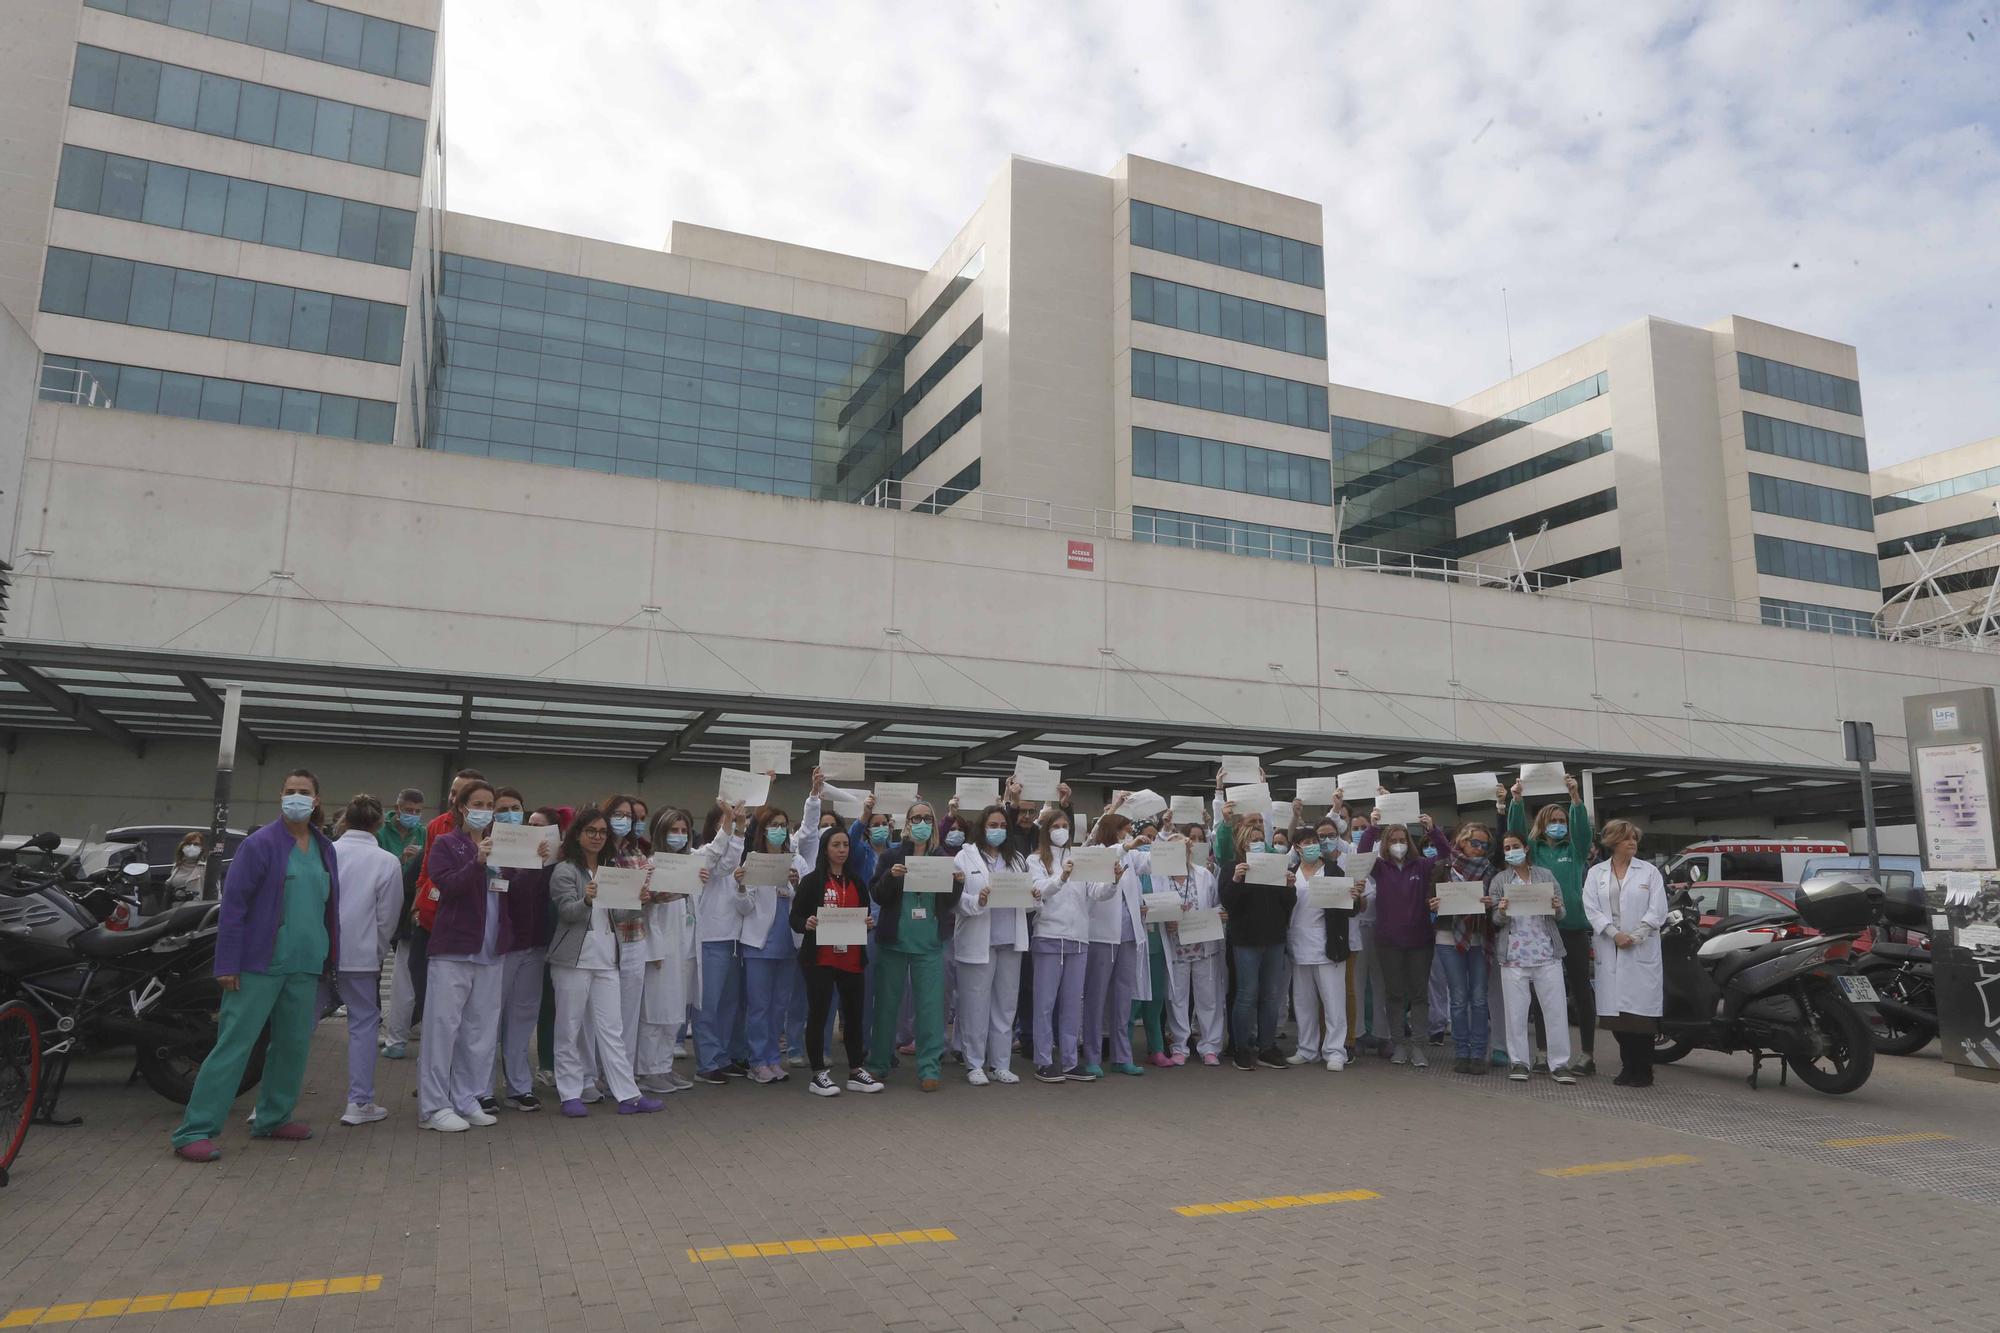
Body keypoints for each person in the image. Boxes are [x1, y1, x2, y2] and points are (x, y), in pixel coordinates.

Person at [171, 769, 341, 1163]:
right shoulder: (259, 844)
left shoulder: (324, 847)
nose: (297, 797)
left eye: (304, 792)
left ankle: (273, 1117)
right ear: (280, 797)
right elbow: (234, 908)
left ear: (316, 801)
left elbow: (329, 907)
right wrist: (226, 962)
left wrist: (331, 960)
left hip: (305, 964)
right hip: (257, 964)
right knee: (234, 1046)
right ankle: (194, 1130)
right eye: (290, 791)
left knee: (293, 1046)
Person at [547, 807, 663, 1116]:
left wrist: (638, 902)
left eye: (602, 832)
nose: (598, 837)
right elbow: (567, 913)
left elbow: (619, 914)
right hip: (572, 960)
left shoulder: (612, 868)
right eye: (591, 831)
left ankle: (628, 1095)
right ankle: (570, 1094)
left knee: (612, 1029)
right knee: (569, 1027)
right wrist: (586, 899)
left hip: (607, 959)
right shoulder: (565, 870)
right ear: (578, 834)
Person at [418, 780, 514, 1132]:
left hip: (491, 951)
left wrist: (535, 858)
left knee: (480, 1030)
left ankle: (467, 1097)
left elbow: (512, 889)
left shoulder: (501, 845)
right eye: (478, 803)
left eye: (490, 804)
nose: (485, 809)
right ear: (461, 807)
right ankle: (433, 1106)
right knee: (443, 1029)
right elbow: (449, 886)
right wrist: (478, 862)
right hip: (454, 950)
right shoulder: (447, 843)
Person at [733, 778, 822, 1084]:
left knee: (778, 1006)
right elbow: (744, 909)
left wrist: (797, 886)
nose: (780, 829)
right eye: (773, 824)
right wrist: (742, 886)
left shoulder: (796, 860)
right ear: (763, 830)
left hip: (789, 943)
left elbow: (808, 903)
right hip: (758, 944)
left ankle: (773, 1058)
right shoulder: (752, 860)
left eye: (783, 825)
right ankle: (757, 1060)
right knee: (758, 1006)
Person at [1507, 774, 1595, 1073]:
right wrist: (1516, 800)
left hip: (1574, 928)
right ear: (1543, 824)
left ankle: (1587, 1054)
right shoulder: (1534, 851)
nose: (1559, 824)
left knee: (1582, 990)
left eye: (1562, 820)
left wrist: (1575, 799)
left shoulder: (1575, 849)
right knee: (1542, 994)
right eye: (1553, 819)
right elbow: (1515, 832)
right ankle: (1543, 1053)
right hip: (1544, 931)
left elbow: (1583, 831)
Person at [1354, 804, 1453, 1068]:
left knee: (1419, 995)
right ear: (1386, 844)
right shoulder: (1380, 868)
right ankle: (1398, 1044)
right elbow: (1362, 853)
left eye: (1402, 840)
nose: (1398, 844)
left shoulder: (1421, 866)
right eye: (1393, 841)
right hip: (1388, 942)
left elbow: (1445, 855)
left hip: (1420, 941)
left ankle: (1419, 1046)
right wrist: (1373, 828)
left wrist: (1433, 830)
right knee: (1394, 994)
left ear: (1409, 842)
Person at [870, 800, 958, 1091]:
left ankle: (929, 1067)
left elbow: (949, 903)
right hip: (894, 943)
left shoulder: (942, 857)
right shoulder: (892, 856)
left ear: (933, 824)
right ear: (906, 823)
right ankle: (879, 1063)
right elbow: (878, 896)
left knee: (931, 1009)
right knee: (886, 1006)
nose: (921, 823)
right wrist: (891, 877)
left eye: (926, 819)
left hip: (929, 943)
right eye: (915, 818)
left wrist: (957, 883)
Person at [790, 826, 881, 1096]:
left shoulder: (857, 882)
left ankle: (856, 1070)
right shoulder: (812, 882)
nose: (842, 850)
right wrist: (805, 923)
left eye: (845, 845)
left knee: (854, 1016)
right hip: (820, 959)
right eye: (836, 845)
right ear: (825, 849)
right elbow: (794, 918)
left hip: (851, 958)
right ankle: (818, 1074)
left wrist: (867, 924)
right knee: (819, 1015)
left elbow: (864, 916)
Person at [329, 796, 402, 1126]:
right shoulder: (386, 861)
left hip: (319, 954)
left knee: (297, 1025)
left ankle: (270, 1102)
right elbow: (387, 917)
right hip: (360, 958)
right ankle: (359, 1102)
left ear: (345, 820)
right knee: (363, 1026)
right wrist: (375, 952)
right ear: (379, 823)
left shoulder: (325, 851)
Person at [1583, 819, 1669, 1088]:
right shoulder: (1596, 873)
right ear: (1612, 842)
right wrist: (1612, 933)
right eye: (1626, 838)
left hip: (1639, 947)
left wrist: (1636, 934)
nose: (1632, 842)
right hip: (1611, 948)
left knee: (1640, 1019)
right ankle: (1627, 1066)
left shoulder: (1649, 872)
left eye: (1635, 838)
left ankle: (1643, 1070)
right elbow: (1591, 908)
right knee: (1617, 1018)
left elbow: (1657, 909)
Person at [955, 803, 1032, 1087]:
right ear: (981, 827)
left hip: (1009, 941)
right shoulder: (964, 857)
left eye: (1002, 826)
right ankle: (974, 1063)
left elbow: (1029, 901)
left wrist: (1033, 895)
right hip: (978, 941)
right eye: (992, 825)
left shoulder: (1018, 859)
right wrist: (978, 901)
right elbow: (956, 901)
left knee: (1005, 1006)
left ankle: (1000, 1064)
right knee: (975, 1005)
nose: (997, 831)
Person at [1489, 833, 1576, 1084]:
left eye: (1515, 846)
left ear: (1525, 849)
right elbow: (1495, 920)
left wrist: (1557, 905)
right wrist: (1503, 911)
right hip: (1513, 955)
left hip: (1546, 953)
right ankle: (1519, 1062)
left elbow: (1561, 914)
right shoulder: (1500, 880)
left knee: (1556, 1011)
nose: (1511, 850)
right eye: (1507, 848)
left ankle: (1559, 1064)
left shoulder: (1545, 876)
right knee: (1515, 1013)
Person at [1217, 805, 1289, 1071]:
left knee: (1271, 995)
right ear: (1242, 843)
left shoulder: (1275, 866)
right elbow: (1227, 902)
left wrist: (1289, 886)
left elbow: (1287, 904)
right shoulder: (1232, 867)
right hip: (1246, 940)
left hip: (1274, 938)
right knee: (1246, 995)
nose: (1257, 844)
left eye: (1260, 840)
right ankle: (1242, 1047)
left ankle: (1267, 1046)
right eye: (1252, 840)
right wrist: (1237, 880)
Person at [1027, 808, 1096, 1081]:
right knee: (1044, 1002)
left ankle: (1069, 1060)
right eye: (1056, 824)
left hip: (1078, 937)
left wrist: (1113, 880)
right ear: (1046, 829)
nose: (1061, 829)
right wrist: (1062, 877)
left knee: (1072, 1002)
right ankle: (1043, 1059)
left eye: (1065, 824)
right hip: (1048, 935)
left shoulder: (1079, 857)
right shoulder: (1035, 860)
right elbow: (1039, 891)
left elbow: (1095, 891)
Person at [494, 788, 552, 1112]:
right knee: (490, 1016)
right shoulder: (490, 846)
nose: (510, 813)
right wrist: (532, 866)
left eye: (515, 807)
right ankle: (481, 1087)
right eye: (503, 809)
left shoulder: (541, 846)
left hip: (535, 942)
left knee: (523, 1016)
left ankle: (519, 1085)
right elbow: (504, 889)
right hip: (503, 945)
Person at [1287, 827, 1364, 1070]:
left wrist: (1355, 896)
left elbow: (1350, 909)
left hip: (1329, 944)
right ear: (1297, 847)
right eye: (1305, 842)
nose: (1311, 846)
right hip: (1298, 943)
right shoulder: (1290, 874)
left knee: (1333, 1000)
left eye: (1314, 841)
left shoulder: (1333, 870)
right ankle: (1307, 1048)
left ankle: (1335, 1051)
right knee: (1303, 1000)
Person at [636, 808, 700, 1095]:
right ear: (660, 833)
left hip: (681, 949)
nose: (679, 836)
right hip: (658, 952)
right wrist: (654, 950)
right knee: (654, 1013)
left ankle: (663, 1066)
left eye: (683, 831)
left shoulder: (688, 864)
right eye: (673, 830)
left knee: (673, 1012)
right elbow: (646, 913)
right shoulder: (650, 865)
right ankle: (647, 1070)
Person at [1087, 806, 1152, 1078]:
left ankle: (1121, 1056)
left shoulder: (1131, 854)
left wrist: (1173, 846)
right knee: (1096, 997)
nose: (1128, 835)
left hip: (1129, 935)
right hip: (1102, 936)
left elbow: (1150, 863)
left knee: (1123, 998)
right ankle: (1091, 1056)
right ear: (1110, 831)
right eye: (1123, 830)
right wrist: (1127, 846)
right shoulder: (1095, 854)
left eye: (1129, 830)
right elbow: (1105, 862)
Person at [692, 798, 751, 1083]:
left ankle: (723, 1056)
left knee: (729, 1005)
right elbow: (719, 858)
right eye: (723, 822)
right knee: (708, 1005)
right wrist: (732, 826)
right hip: (711, 939)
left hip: (734, 941)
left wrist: (739, 828)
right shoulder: (701, 854)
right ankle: (707, 1062)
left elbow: (729, 861)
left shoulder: (735, 863)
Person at [1160, 824, 1226, 1065]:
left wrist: (1219, 914)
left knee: (1208, 998)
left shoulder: (1203, 874)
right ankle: (1179, 1046)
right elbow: (1155, 909)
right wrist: (1166, 922)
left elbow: (1217, 904)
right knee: (1177, 998)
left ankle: (1210, 1047)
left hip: (1203, 947)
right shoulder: (1160, 879)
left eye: (1184, 849)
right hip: (1175, 948)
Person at [1436, 821, 1496, 1074]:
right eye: (1475, 843)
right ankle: (1461, 1052)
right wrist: (1433, 903)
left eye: (1484, 844)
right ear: (1462, 841)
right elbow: (1428, 899)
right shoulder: (1443, 867)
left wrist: (1491, 903)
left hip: (1479, 938)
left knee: (1479, 998)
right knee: (1459, 998)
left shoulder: (1490, 870)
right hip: (1449, 936)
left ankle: (1479, 1053)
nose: (1479, 849)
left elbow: (1497, 901)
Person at [377, 787, 427, 1061]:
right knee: (397, 978)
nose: (413, 816)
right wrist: (401, 860)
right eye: (408, 811)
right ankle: (391, 1034)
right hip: (389, 909)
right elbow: (375, 869)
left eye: (418, 812)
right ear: (397, 808)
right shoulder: (380, 833)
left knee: (410, 979)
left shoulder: (426, 833)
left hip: (413, 911)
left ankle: (403, 1032)